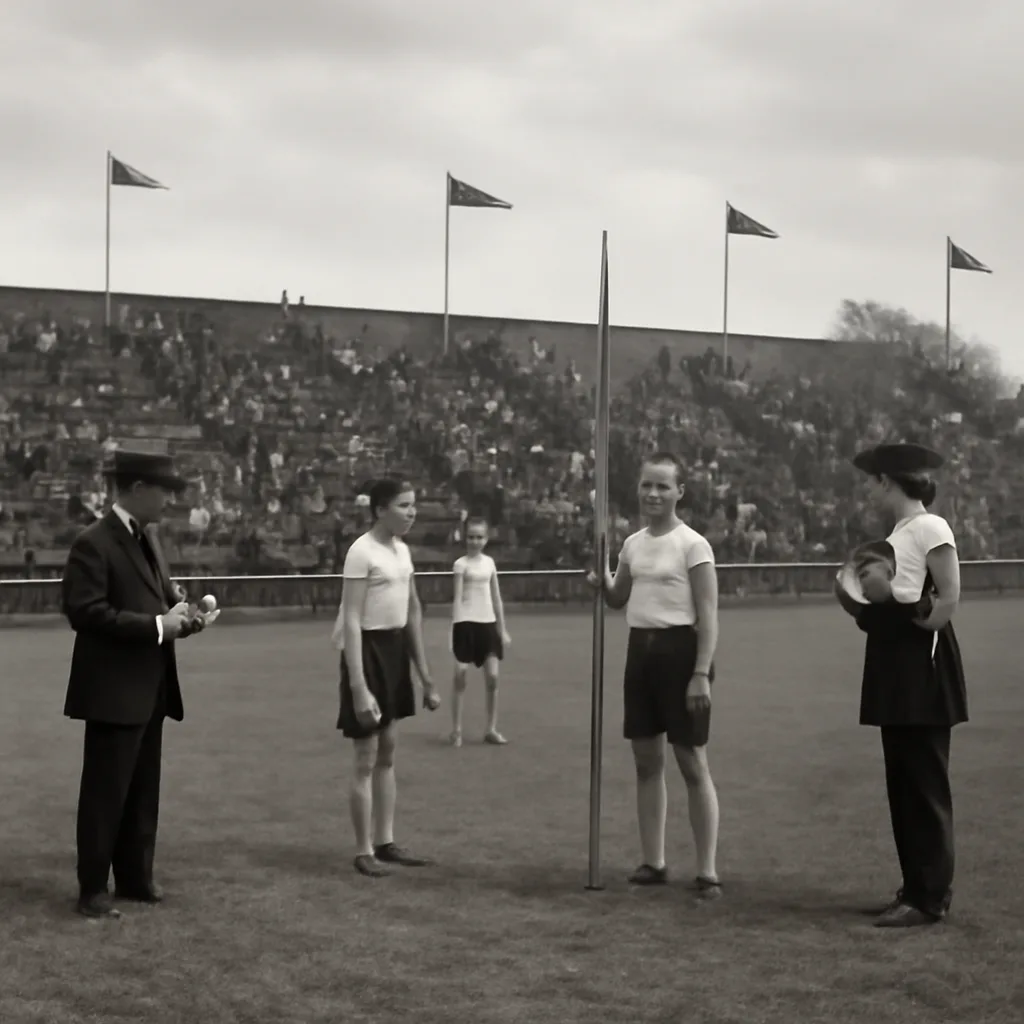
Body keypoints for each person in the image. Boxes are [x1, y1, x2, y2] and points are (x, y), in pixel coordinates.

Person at [61, 449, 208, 919]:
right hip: (112, 689)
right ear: (138, 489)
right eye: (164, 491)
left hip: (149, 686)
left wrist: (187, 616)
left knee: (144, 788)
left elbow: (161, 600)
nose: (170, 500)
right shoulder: (94, 542)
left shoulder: (149, 540)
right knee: (106, 793)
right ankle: (92, 889)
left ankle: (134, 878)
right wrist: (160, 626)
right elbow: (85, 612)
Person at [837, 442, 968, 928]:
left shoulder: (930, 526)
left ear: (888, 482)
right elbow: (900, 603)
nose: (869, 491)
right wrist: (862, 604)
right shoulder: (897, 533)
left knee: (924, 784)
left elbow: (946, 602)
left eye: (872, 482)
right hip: (896, 666)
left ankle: (930, 897)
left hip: (923, 669)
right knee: (903, 784)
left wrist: (887, 599)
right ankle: (913, 888)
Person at [588, 452, 722, 897]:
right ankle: (653, 861)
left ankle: (706, 871)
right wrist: (602, 577)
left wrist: (701, 673)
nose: (653, 493)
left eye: (663, 486)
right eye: (647, 485)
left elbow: (708, 614)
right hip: (639, 654)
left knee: (691, 762)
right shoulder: (632, 544)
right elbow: (618, 598)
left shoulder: (693, 545)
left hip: (681, 655)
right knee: (647, 762)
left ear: (679, 492)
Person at [330, 479, 440, 877]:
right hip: (367, 654)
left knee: (388, 752)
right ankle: (363, 851)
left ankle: (386, 841)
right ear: (379, 510)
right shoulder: (361, 552)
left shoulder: (403, 551)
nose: (411, 512)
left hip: (393, 653)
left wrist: (425, 678)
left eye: (414, 505)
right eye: (404, 505)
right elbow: (353, 620)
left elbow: (412, 613)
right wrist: (359, 686)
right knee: (365, 756)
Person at [448, 518, 512, 747]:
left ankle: (491, 729)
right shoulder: (460, 564)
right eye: (471, 537)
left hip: (488, 624)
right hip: (465, 624)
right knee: (460, 676)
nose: (475, 541)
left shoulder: (489, 563)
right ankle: (456, 730)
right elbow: (457, 597)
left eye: (479, 537)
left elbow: (496, 598)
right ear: (465, 538)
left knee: (493, 678)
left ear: (486, 539)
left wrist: (502, 629)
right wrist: (454, 630)